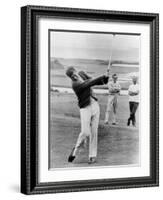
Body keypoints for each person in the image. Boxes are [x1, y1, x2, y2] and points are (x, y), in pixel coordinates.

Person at [65, 66, 109, 164]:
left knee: (94, 132)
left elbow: (94, 81)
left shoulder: (82, 73)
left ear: (76, 71)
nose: (74, 77)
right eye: (71, 76)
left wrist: (105, 79)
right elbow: (89, 83)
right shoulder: (75, 84)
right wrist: (102, 76)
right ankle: (75, 151)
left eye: (74, 74)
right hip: (85, 108)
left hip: (95, 105)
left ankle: (92, 156)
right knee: (85, 132)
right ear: (70, 78)